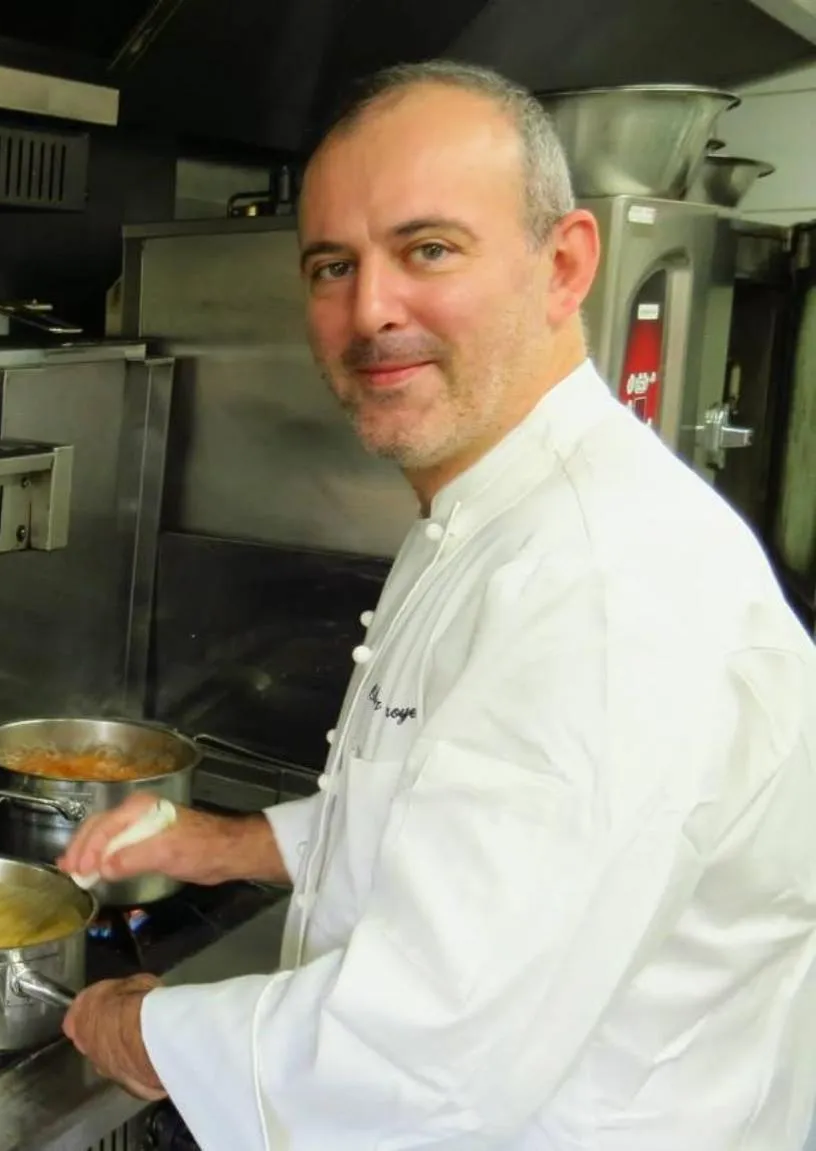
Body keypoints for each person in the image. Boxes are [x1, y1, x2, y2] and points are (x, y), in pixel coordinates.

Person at [57, 60, 816, 1150]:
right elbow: (453, 815)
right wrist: (222, 843)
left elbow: (421, 1065)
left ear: (562, 266)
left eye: (427, 249)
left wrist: (148, 1030)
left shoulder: (602, 585)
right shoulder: (493, 508)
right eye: (331, 265)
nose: (370, 310)